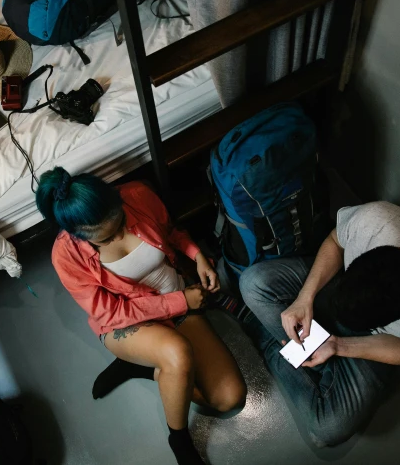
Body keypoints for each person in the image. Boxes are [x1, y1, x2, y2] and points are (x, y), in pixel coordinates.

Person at [37, 168, 247, 465]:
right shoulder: (66, 256)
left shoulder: (136, 195)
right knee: (176, 352)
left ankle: (145, 368)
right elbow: (112, 312)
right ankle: (180, 440)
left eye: (121, 222)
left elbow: (171, 232)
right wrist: (180, 301)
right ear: (80, 235)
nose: (122, 234)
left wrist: (197, 255)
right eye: (108, 238)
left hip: (178, 303)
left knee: (229, 397)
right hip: (126, 323)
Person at [239, 201, 400, 447]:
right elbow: (335, 241)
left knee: (327, 429)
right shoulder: (376, 221)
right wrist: (305, 297)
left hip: (369, 342)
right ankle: (300, 356)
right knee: (252, 282)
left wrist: (339, 346)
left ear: (396, 319)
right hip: (335, 288)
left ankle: (272, 344)